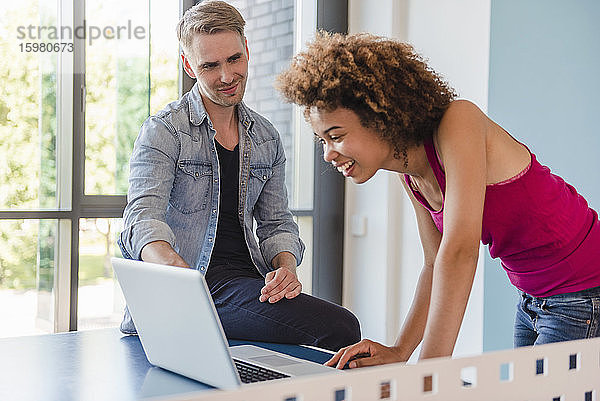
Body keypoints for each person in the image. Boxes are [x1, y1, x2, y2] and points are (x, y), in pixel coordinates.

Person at [276, 31, 600, 368]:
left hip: (584, 292)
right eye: (321, 141)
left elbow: (459, 251)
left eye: (336, 136)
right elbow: (434, 263)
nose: (328, 154)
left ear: (381, 116)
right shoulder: (412, 174)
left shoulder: (458, 120)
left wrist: (428, 375)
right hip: (535, 299)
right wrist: (401, 351)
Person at [117, 2, 360, 351]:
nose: (227, 77)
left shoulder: (266, 137)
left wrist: (286, 269)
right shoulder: (163, 131)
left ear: (247, 50)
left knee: (332, 325)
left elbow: (277, 224)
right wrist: (183, 280)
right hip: (195, 287)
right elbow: (141, 221)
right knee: (341, 326)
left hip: (247, 285)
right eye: (210, 66)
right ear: (188, 65)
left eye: (234, 59)